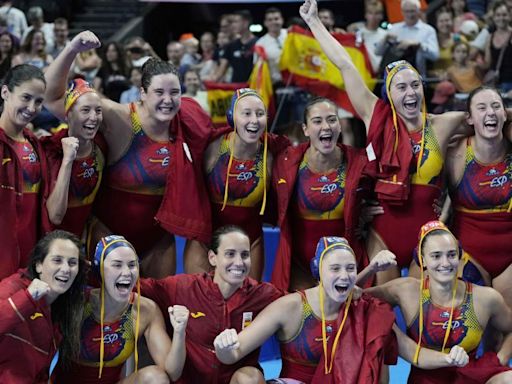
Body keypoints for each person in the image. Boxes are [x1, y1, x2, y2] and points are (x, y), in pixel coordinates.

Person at [299, 0, 488, 285]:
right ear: (389, 93)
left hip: (425, 238)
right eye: (401, 86)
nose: (410, 92)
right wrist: (314, 22)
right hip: (381, 235)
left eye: (415, 85)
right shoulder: (376, 115)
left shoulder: (442, 124)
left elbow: (490, 114)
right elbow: (344, 64)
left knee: (421, 316)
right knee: (382, 314)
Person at [43, 30, 214, 279]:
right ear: (142, 93)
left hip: (158, 243)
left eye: (174, 93)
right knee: (103, 314)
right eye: (159, 93)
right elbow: (51, 97)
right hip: (108, 236)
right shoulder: (119, 119)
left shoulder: (190, 125)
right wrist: (71, 49)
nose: (168, 100)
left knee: (154, 309)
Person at [215, 236, 399, 383]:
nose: (344, 275)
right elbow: (233, 354)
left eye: (350, 268)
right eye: (335, 268)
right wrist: (222, 346)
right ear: (318, 270)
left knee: (378, 344)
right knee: (247, 378)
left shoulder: (362, 308)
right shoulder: (292, 307)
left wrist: (372, 269)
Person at [366, 221, 512, 383]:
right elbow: (355, 298)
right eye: (436, 256)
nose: (445, 263)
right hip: (426, 378)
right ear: (423, 260)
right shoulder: (406, 291)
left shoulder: (485, 298)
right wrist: (370, 270)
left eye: (451, 254)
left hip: (471, 374)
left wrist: (501, 358)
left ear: (460, 256)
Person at [141, 225, 284, 384]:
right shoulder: (184, 288)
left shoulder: (262, 295)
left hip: (233, 380)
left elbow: (299, 303)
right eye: (230, 254)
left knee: (250, 377)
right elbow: (138, 288)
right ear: (212, 258)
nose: (239, 262)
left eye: (245, 255)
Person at [53, 235, 188, 383]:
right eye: (117, 265)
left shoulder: (145, 310)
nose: (126, 273)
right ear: (99, 270)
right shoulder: (76, 303)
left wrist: (179, 332)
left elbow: (172, 374)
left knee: (156, 378)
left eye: (132, 265)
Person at [271, 96, 370, 291]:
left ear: (340, 126)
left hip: (344, 267)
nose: (326, 126)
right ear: (306, 129)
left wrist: (368, 215)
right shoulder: (285, 162)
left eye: (332, 119)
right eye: (317, 121)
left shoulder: (359, 163)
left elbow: (389, 188)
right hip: (299, 269)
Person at [188, 88, 288, 279]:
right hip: (205, 241)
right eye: (246, 113)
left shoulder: (272, 155)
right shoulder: (212, 148)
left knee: (246, 305)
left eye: (260, 114)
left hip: (250, 242)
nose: (254, 120)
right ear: (231, 116)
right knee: (200, 301)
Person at [446, 86, 512, 364]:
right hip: (470, 254)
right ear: (469, 118)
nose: (490, 113)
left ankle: (495, 370)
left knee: (501, 334)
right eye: (482, 107)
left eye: (496, 106)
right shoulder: (456, 153)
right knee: (469, 334)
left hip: (509, 259)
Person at [0, 230, 87, 383]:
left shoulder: (62, 308)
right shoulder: (13, 288)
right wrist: (28, 298)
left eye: (72, 263)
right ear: (39, 264)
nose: (66, 269)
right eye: (57, 260)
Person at [0, 64, 49, 280]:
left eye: (38, 101)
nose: (32, 107)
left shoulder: (35, 145)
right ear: (5, 93)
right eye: (26, 97)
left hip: (31, 260)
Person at [43, 78, 107, 238]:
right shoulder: (51, 149)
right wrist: (68, 160)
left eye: (98, 111)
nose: (94, 117)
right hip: (51, 243)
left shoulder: (101, 145)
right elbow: (55, 216)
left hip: (83, 240)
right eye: (85, 110)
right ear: (68, 114)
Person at [375, 0, 439, 76]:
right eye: (407, 11)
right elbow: (377, 52)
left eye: (412, 11)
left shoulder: (428, 30)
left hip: (417, 75)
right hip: (395, 75)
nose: (410, 15)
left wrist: (419, 45)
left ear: (419, 11)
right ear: (402, 12)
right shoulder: (394, 29)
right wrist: (385, 39)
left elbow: (435, 56)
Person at [214, 10, 258, 83]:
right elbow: (221, 71)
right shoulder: (231, 46)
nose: (233, 25)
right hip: (235, 89)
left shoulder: (258, 43)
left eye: (236, 22)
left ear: (245, 23)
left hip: (253, 89)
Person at [255, 7, 288, 85]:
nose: (273, 22)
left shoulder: (291, 35)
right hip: (275, 85)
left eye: (276, 19)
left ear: (282, 20)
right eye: (270, 20)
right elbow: (258, 69)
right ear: (265, 23)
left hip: (296, 84)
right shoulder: (260, 44)